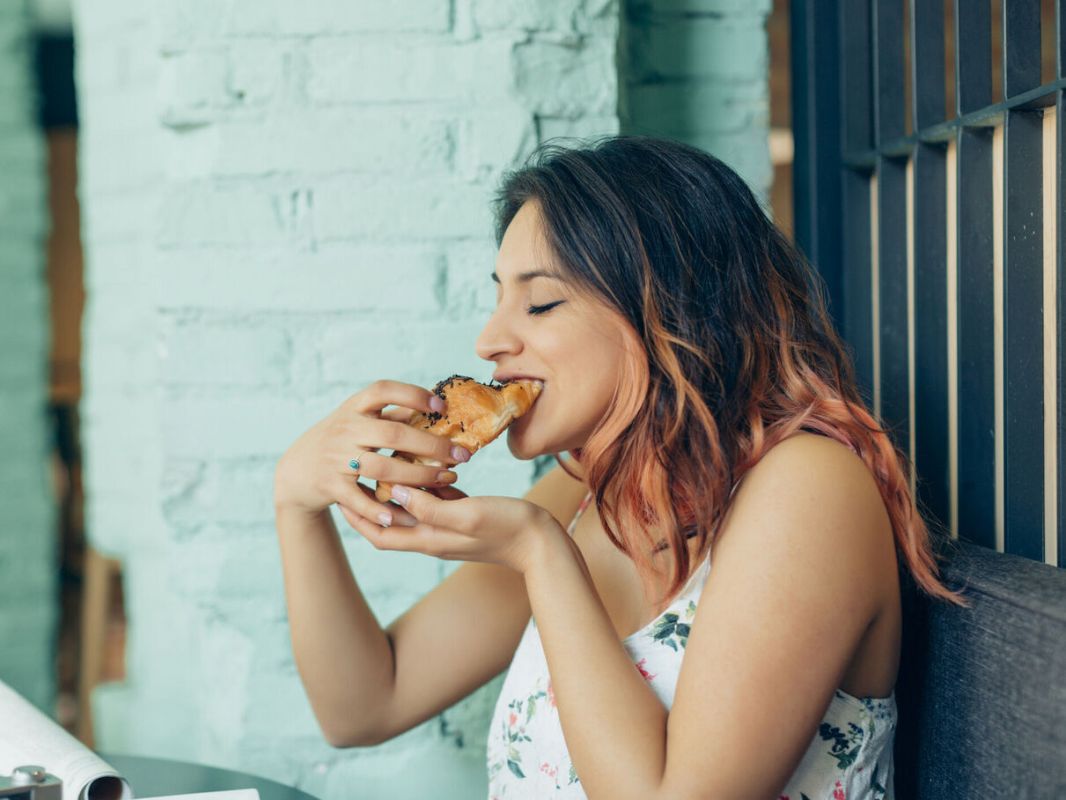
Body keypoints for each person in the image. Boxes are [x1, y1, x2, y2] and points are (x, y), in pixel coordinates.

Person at [273, 136, 965, 799]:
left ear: (670, 306)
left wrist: (539, 554)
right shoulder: (583, 495)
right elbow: (366, 703)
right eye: (499, 296)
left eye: (540, 302)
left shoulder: (809, 488)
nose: (488, 340)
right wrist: (296, 505)